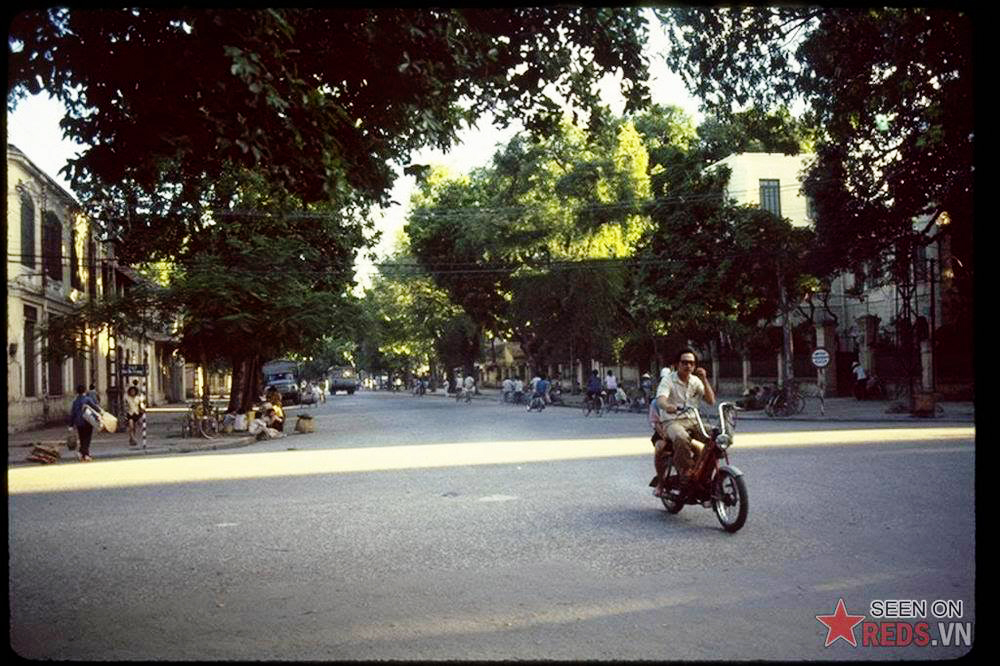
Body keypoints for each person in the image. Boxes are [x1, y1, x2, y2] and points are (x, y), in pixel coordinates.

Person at [652, 349, 716, 498]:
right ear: (677, 364)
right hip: (673, 421)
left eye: (691, 363)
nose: (688, 366)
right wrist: (668, 406)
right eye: (684, 362)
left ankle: (705, 473)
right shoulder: (668, 380)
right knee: (681, 437)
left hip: (693, 420)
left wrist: (704, 379)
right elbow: (661, 399)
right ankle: (686, 472)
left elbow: (711, 401)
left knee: (718, 437)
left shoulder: (696, 381)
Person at [69, 384, 104, 462]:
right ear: (85, 390)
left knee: (82, 438)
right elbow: (95, 407)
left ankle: (84, 454)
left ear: (76, 391)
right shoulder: (87, 399)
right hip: (87, 420)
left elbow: (72, 413)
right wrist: (101, 412)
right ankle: (83, 453)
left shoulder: (75, 401)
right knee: (87, 438)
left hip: (78, 422)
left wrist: (71, 425)